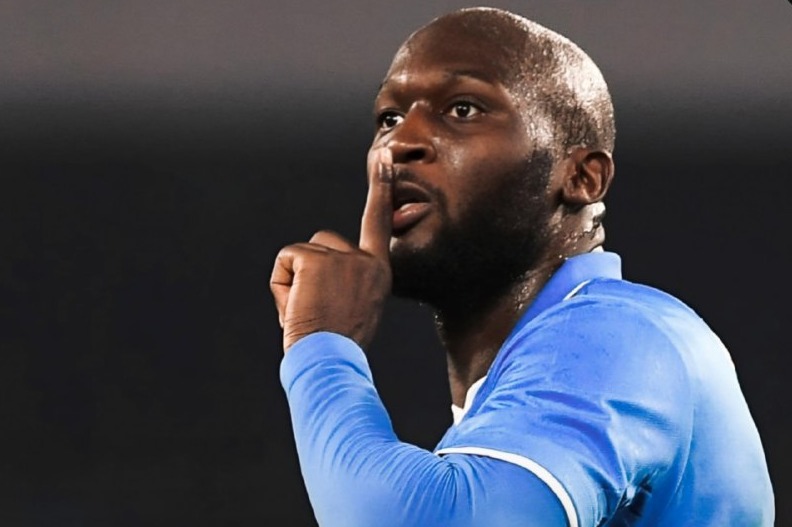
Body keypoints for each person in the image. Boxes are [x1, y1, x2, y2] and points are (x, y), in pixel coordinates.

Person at [270, 7, 774, 526]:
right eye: (389, 119)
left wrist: (320, 347)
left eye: (462, 109)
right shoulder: (521, 391)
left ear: (582, 178)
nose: (399, 143)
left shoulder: (619, 334)